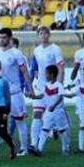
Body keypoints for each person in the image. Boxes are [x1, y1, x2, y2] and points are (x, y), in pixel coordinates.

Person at [0, 28, 34, 155]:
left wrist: (30, 88)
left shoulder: (16, 53)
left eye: (4, 37)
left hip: (15, 93)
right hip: (0, 94)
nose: (1, 40)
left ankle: (24, 149)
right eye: (0, 37)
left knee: (19, 121)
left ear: (10, 38)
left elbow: (25, 71)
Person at [29, 27, 65, 155]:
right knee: (37, 114)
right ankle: (33, 144)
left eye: (45, 33)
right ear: (38, 36)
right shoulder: (37, 50)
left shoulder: (55, 49)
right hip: (40, 87)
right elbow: (34, 68)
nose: (43, 36)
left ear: (49, 35)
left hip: (52, 89)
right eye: (41, 33)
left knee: (56, 116)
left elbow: (60, 67)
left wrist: (59, 85)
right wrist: (30, 86)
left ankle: (65, 144)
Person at [29, 65, 70, 156]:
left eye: (46, 74)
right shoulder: (46, 86)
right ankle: (39, 149)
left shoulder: (58, 85)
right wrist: (34, 96)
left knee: (62, 131)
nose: (45, 76)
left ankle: (65, 148)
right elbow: (41, 95)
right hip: (49, 111)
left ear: (52, 75)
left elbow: (60, 96)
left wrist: (54, 106)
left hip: (58, 111)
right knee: (44, 129)